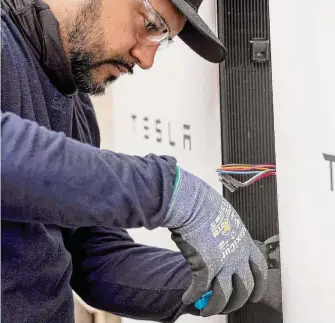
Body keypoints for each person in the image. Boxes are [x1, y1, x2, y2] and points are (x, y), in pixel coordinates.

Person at [0, 0, 281, 322]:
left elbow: (95, 260)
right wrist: (169, 191)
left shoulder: (73, 104)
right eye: (150, 25)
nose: (146, 59)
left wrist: (237, 276)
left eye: (163, 40)